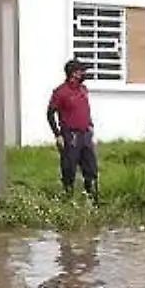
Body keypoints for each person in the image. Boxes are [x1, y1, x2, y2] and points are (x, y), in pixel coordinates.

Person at [46, 59, 98, 200]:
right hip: (71, 135)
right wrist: (58, 135)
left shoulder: (83, 90)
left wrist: (90, 125)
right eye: (81, 71)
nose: (83, 74)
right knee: (69, 170)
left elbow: (85, 109)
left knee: (91, 169)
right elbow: (50, 113)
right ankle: (68, 199)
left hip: (85, 134)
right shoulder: (61, 92)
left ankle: (92, 200)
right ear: (73, 73)